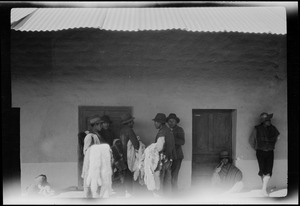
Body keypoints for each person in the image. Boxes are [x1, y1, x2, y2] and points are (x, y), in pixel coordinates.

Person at [249, 112, 280, 196]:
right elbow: (251, 140)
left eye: (269, 120)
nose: (269, 121)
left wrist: (270, 146)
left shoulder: (273, 128)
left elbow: (277, 138)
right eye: (267, 120)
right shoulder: (257, 129)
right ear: (263, 121)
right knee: (262, 170)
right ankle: (264, 189)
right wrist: (257, 148)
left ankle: (263, 189)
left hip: (270, 151)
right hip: (260, 152)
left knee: (269, 170)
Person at [152, 113, 177, 196]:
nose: (154, 123)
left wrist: (151, 149)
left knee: (160, 180)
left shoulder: (162, 132)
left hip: (162, 159)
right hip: (169, 158)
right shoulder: (168, 130)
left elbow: (159, 147)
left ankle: (160, 199)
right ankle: (167, 199)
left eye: (156, 122)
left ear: (160, 122)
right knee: (167, 180)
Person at [81, 115, 104, 198]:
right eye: (100, 124)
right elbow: (86, 153)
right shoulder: (89, 136)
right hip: (91, 166)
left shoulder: (97, 135)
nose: (102, 126)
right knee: (88, 189)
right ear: (95, 125)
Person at [119, 113, 140, 197]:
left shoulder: (122, 130)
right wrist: (139, 141)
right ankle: (129, 193)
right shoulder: (129, 130)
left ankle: (126, 192)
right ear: (129, 122)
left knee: (126, 174)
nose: (133, 123)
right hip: (129, 156)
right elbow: (136, 145)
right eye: (132, 121)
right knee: (130, 174)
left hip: (123, 155)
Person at [166, 113, 185, 192]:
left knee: (174, 175)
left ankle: (174, 194)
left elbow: (182, 142)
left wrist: (171, 139)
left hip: (177, 156)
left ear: (176, 122)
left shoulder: (179, 129)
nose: (171, 123)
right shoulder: (166, 130)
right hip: (169, 156)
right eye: (169, 121)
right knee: (167, 175)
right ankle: (168, 193)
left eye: (173, 121)